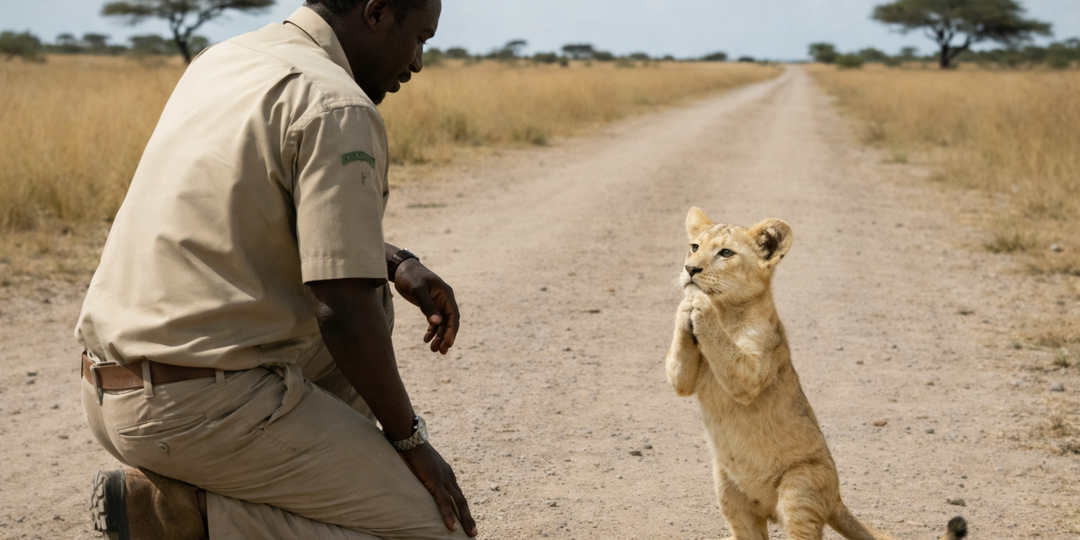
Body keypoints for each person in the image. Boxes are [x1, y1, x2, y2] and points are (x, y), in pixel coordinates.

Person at [75, 0, 477, 538]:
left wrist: (395, 261)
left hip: (111, 390)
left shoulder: (225, 59)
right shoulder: (338, 105)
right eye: (420, 39)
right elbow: (342, 311)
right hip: (194, 412)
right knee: (435, 527)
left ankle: (297, 475)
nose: (419, 62)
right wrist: (410, 442)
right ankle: (178, 515)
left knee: (373, 291)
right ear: (378, 12)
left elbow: (261, 208)